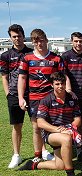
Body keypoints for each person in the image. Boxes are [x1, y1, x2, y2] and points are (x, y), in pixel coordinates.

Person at [18, 72, 82, 176]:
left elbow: (78, 119)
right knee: (66, 138)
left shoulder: (72, 99)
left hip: (67, 130)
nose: (60, 86)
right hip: (51, 134)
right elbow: (40, 122)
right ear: (52, 85)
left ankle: (33, 165)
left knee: (59, 165)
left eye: (62, 83)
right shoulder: (46, 100)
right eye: (57, 84)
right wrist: (57, 129)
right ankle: (70, 173)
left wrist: (71, 127)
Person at [18, 28, 63, 162]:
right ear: (32, 43)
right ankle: (38, 155)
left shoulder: (56, 58)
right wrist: (21, 98)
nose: (39, 44)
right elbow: (22, 79)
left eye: (42, 41)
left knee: (54, 125)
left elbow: (62, 78)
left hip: (51, 98)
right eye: (36, 42)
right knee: (36, 127)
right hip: (35, 99)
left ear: (47, 40)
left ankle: (56, 152)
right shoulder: (27, 58)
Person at [0, 24, 33, 168]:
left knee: (38, 124)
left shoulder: (31, 53)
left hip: (32, 93)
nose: (17, 39)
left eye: (19, 36)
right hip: (14, 95)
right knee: (17, 126)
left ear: (23, 36)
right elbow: (4, 77)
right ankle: (16, 155)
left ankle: (43, 151)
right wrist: (8, 94)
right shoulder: (5, 56)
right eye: (14, 36)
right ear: (10, 38)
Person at [61, 32, 82, 161]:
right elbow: (64, 75)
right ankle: (74, 146)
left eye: (80, 41)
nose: (78, 43)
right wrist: (68, 90)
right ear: (71, 42)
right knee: (72, 122)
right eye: (76, 41)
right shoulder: (66, 56)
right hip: (71, 95)